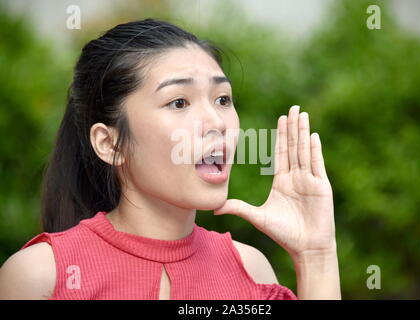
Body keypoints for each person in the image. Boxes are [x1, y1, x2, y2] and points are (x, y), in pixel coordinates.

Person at [0, 18, 341, 300]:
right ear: (109, 143)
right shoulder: (39, 277)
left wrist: (317, 256)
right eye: (179, 102)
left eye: (222, 99)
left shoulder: (250, 270)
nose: (216, 122)